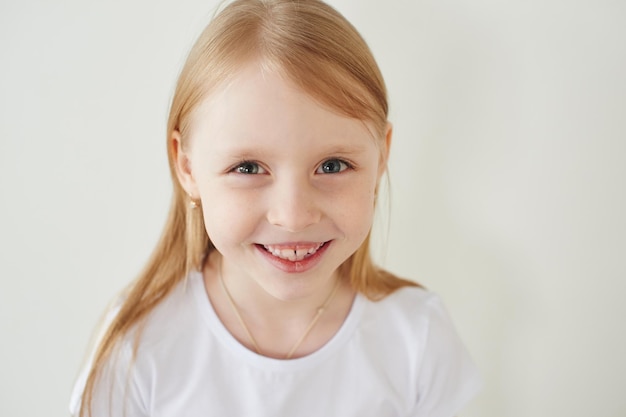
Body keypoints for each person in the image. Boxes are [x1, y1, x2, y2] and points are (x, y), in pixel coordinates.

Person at [70, 0, 481, 416]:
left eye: (332, 165)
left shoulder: (417, 338)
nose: (293, 215)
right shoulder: (139, 345)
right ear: (188, 166)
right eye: (248, 168)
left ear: (381, 158)